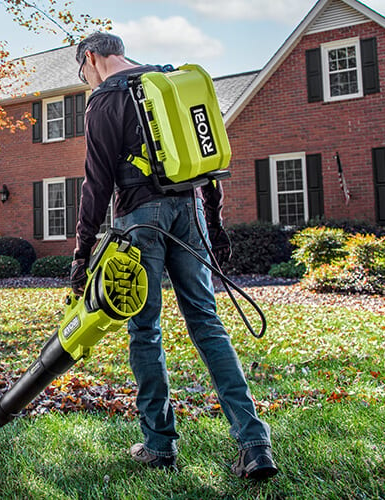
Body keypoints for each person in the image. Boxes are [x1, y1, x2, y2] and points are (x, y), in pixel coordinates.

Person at [69, 32, 278, 480]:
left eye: (83, 73)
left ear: (91, 58)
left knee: (145, 329)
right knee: (207, 322)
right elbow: (207, 165)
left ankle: (159, 444)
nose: (86, 81)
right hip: (191, 211)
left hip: (140, 220)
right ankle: (254, 443)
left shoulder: (105, 101)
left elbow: (96, 183)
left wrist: (82, 251)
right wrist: (214, 226)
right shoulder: (170, 83)